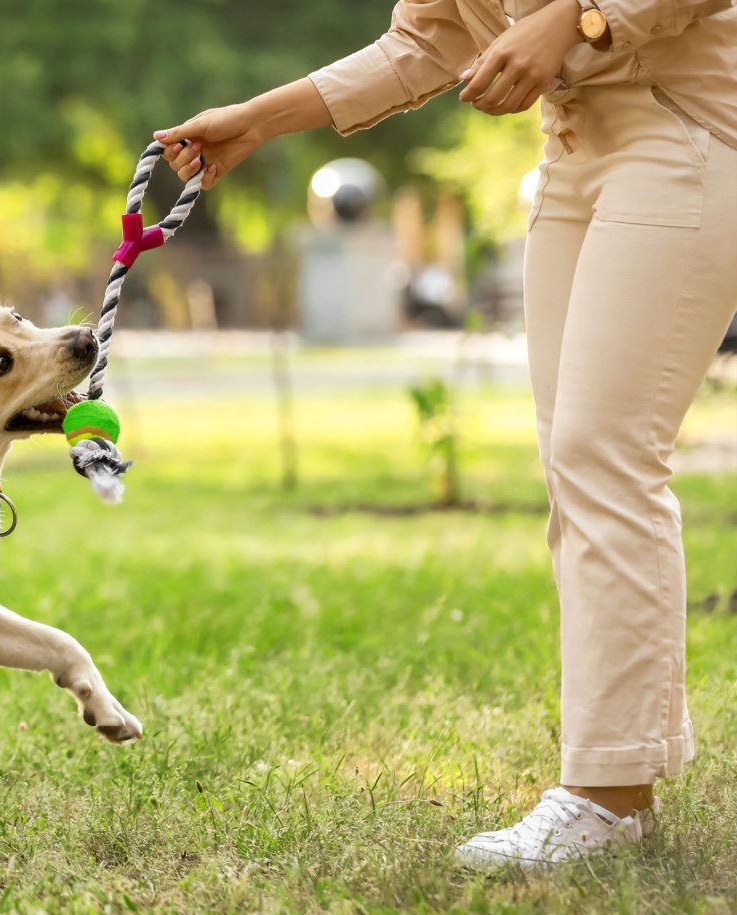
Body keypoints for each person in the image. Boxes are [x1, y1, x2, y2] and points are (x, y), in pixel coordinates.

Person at [156, 0, 737, 869]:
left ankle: (605, 798)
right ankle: (624, 777)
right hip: (574, 151)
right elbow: (425, 39)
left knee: (602, 456)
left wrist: (577, 20)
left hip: (686, 133)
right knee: (575, 470)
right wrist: (258, 121)